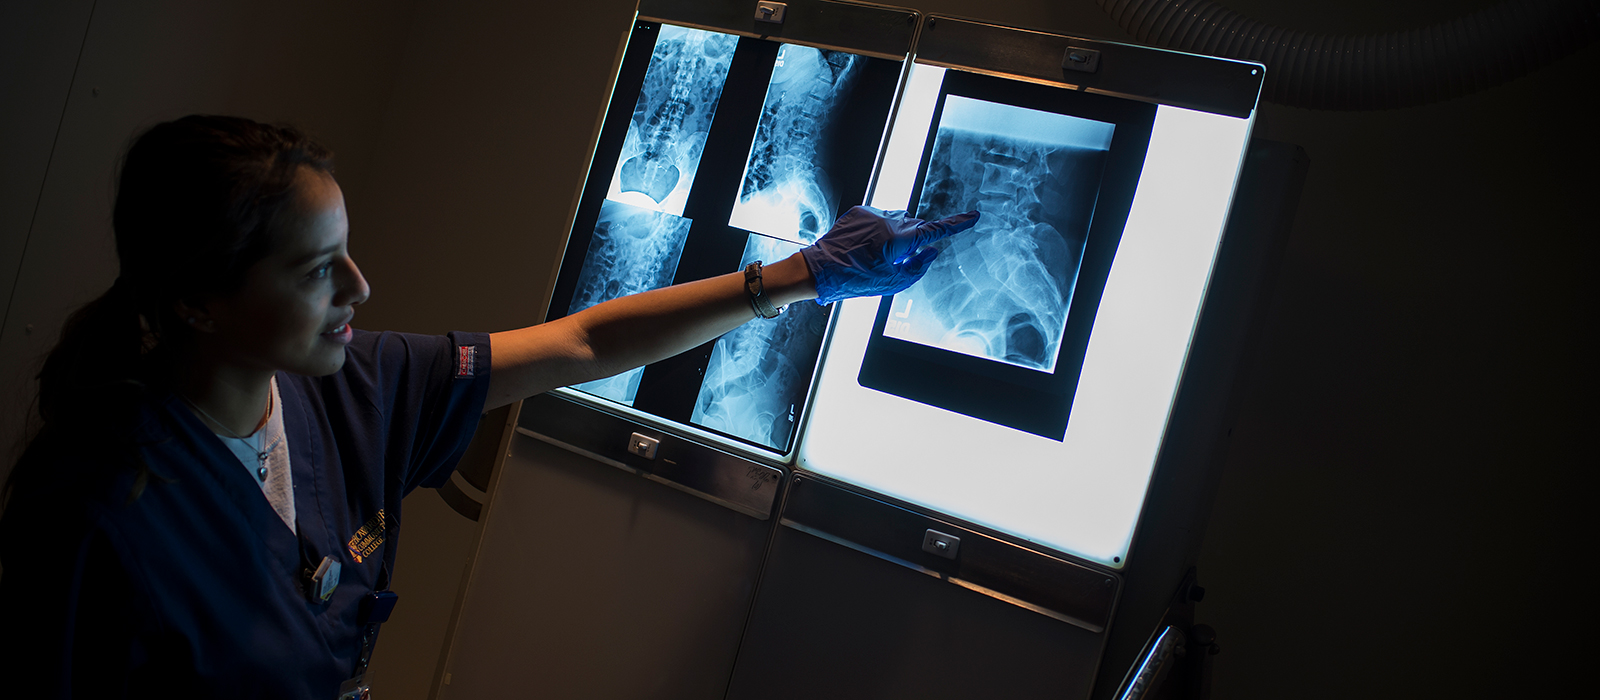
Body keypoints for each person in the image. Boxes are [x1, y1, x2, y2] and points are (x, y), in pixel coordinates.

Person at [0, 115, 977, 697]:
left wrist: (801, 274)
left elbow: (582, 342)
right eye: (315, 270)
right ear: (195, 298)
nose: (361, 285)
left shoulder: (356, 390)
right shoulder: (91, 503)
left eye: (348, 247)